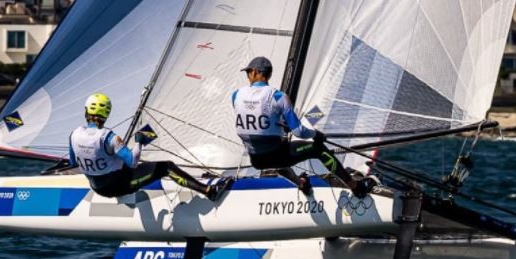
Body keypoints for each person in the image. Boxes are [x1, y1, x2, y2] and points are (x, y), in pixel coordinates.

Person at [231, 57, 372, 198]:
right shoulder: (278, 97)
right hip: (277, 155)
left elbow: (251, 118)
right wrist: (316, 134)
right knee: (317, 149)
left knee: (279, 155)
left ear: (255, 72)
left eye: (248, 72)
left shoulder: (236, 95)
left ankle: (301, 184)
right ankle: (356, 187)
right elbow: (298, 131)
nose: (248, 76)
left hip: (256, 160)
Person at [70, 93, 232, 200]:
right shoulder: (110, 138)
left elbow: (74, 163)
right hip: (118, 187)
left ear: (86, 112)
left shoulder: (74, 135)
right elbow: (132, 162)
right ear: (107, 114)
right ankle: (209, 192)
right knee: (166, 167)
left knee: (125, 166)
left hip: (97, 187)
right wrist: (140, 141)